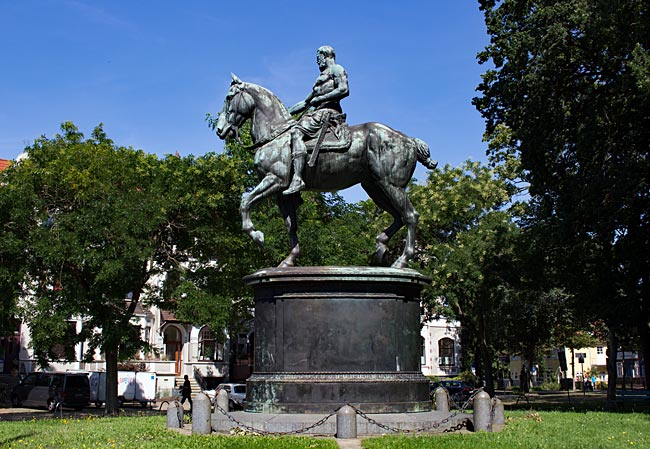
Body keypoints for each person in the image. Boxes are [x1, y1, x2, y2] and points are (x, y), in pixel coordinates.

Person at [284, 45, 349, 195]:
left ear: (326, 56)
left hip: (327, 112)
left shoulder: (337, 69)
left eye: (318, 58)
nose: (317, 62)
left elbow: (344, 89)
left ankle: (298, 178)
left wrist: (320, 98)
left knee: (296, 133)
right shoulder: (320, 79)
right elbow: (305, 103)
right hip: (316, 112)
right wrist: (285, 113)